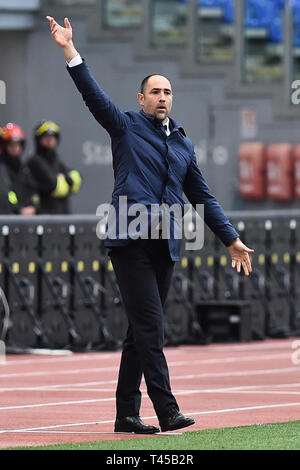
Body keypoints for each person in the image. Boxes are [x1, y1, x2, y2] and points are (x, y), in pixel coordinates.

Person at [46, 16, 254, 434]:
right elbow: (93, 95)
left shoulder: (182, 142)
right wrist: (70, 51)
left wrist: (230, 238)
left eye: (168, 92)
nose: (163, 97)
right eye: (155, 91)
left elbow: (203, 195)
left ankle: (125, 414)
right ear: (141, 98)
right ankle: (167, 409)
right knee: (151, 326)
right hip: (130, 241)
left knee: (138, 333)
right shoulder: (124, 127)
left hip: (166, 244)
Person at [27, 120, 82, 214]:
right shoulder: (34, 161)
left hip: (64, 215)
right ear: (38, 139)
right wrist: (65, 181)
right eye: (46, 137)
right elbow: (54, 185)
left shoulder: (56, 159)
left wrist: (64, 179)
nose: (50, 140)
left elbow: (76, 181)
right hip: (45, 218)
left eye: (53, 137)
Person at [0, 122, 39, 215]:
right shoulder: (2, 167)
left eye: (18, 145)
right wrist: (19, 209)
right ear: (5, 146)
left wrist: (34, 207)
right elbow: (5, 193)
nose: (15, 148)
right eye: (11, 145)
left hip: (25, 220)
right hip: (6, 219)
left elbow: (33, 191)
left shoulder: (24, 169)